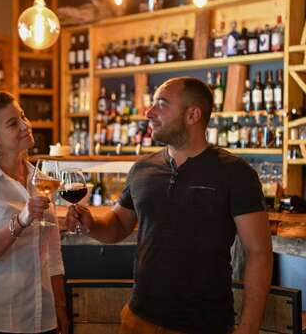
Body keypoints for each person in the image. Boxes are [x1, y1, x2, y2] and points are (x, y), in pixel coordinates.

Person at [66, 77, 273, 334]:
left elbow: (259, 253)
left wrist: (249, 326)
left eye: (161, 104)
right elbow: (119, 225)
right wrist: (91, 224)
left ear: (193, 115)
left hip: (203, 325)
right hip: (137, 318)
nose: (149, 112)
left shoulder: (235, 173)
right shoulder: (143, 168)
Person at [0, 91, 69, 334]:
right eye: (12, 123)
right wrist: (20, 221)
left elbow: (53, 255)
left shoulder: (42, 181)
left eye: (23, 117)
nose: (25, 125)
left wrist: (60, 307)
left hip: (41, 320)